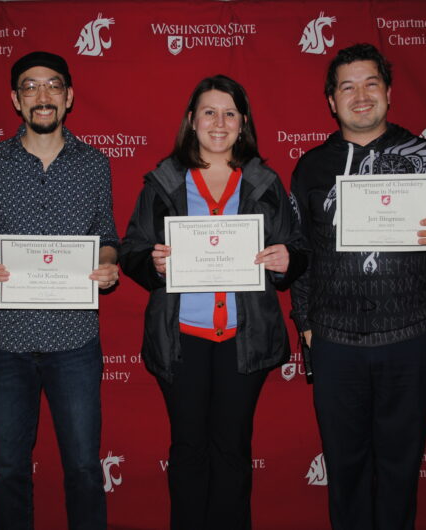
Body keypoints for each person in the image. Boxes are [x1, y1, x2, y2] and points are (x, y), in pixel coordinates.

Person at [290, 43, 426, 530]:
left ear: (388, 93)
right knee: (346, 472)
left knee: (399, 470)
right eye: (346, 87)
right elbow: (301, 254)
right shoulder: (310, 166)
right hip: (335, 341)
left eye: (370, 83)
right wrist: (306, 325)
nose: (360, 95)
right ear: (331, 100)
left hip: (408, 336)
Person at [120, 75, 307, 530]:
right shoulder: (163, 181)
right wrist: (152, 263)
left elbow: (297, 247)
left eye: (229, 113)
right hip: (181, 338)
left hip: (245, 339)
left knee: (232, 450)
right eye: (208, 112)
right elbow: (131, 250)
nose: (218, 122)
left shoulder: (265, 182)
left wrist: (287, 259)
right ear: (191, 120)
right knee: (187, 450)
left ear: (243, 123)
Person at [0, 51, 118, 530]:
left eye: (53, 87)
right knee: (8, 469)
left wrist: (107, 266)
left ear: (68, 97)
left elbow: (107, 238)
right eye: (30, 87)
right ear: (15, 99)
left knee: (86, 468)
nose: (42, 96)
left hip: (75, 341)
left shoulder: (95, 165)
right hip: (5, 341)